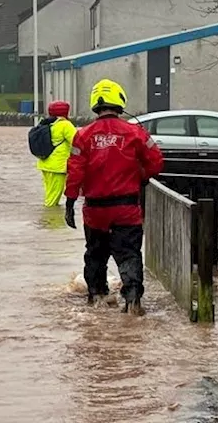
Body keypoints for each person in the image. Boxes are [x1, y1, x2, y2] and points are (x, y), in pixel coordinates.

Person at [65, 79, 165, 315]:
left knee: (95, 256)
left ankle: (97, 299)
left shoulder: (82, 136)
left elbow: (74, 172)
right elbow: (156, 162)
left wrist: (69, 203)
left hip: (95, 211)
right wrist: (140, 176)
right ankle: (132, 302)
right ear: (119, 101)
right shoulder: (135, 132)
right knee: (129, 255)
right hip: (126, 209)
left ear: (95, 104)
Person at [36, 101, 77, 208]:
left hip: (45, 164)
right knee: (52, 199)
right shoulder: (65, 125)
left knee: (49, 194)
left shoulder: (47, 123)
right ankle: (50, 221)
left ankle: (47, 221)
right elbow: (77, 141)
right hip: (57, 167)